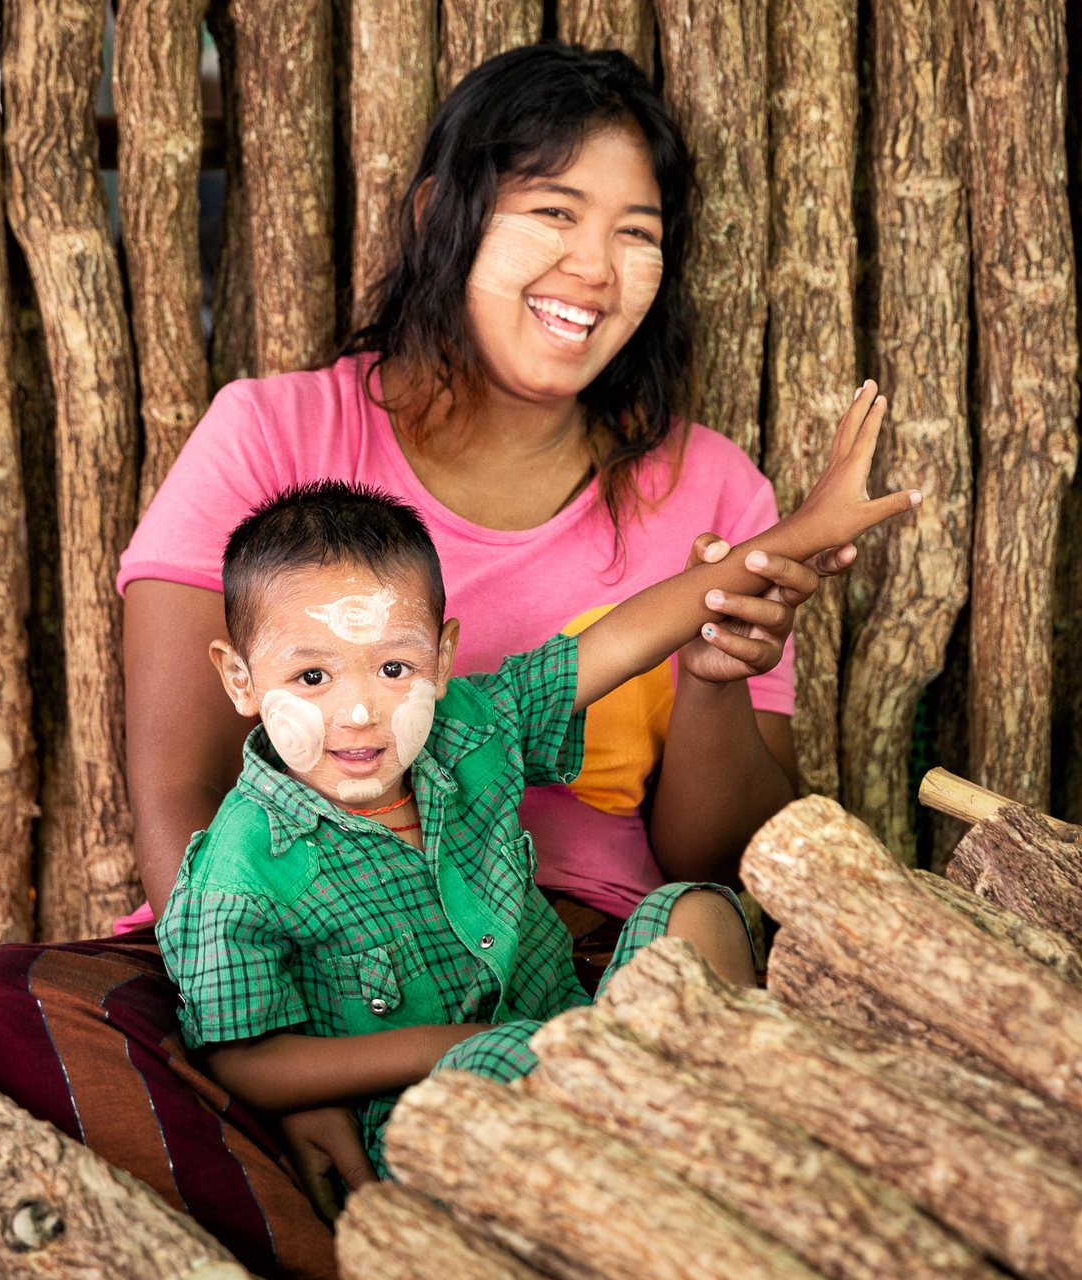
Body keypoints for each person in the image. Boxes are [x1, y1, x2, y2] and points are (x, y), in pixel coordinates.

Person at [0, 42, 892, 1280]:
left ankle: (396, 1212)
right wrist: (263, 1032)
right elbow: (180, 794)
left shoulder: (709, 486)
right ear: (446, 213)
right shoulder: (270, 436)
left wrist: (710, 679)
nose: (592, 265)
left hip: (568, 957)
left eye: (635, 231)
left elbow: (724, 858)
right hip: (287, 957)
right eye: (551, 211)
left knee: (699, 952)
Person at [163, 404, 915, 1177]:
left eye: (394, 669)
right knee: (514, 1074)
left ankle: (723, 1137)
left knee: (694, 911)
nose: (359, 713)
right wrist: (452, 1047)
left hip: (582, 1031)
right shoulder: (241, 862)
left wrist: (799, 535)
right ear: (241, 679)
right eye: (311, 676)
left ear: (443, 655)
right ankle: (692, 1150)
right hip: (453, 1111)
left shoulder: (470, 729)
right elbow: (243, 1060)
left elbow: (624, 638)